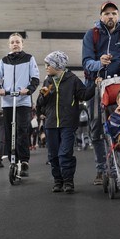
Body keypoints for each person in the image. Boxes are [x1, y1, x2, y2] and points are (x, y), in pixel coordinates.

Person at [82, 1, 120, 185]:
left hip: (117, 86)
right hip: (96, 85)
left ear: (118, 16)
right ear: (101, 17)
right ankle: (101, 169)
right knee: (97, 127)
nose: (110, 16)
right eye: (107, 14)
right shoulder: (92, 35)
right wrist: (99, 63)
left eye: (114, 13)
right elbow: (86, 62)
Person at [37, 51, 96, 194]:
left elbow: (84, 94)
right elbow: (40, 105)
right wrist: (43, 96)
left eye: (48, 64)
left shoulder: (72, 79)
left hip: (68, 123)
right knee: (53, 155)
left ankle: (68, 181)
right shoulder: (47, 81)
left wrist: (95, 84)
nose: (46, 67)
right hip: (51, 124)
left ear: (58, 65)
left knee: (65, 153)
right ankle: (58, 181)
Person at [0, 32, 39, 177]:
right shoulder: (3, 60)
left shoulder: (29, 59)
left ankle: (24, 161)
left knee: (21, 130)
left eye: (17, 42)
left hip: (23, 101)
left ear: (22, 44)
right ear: (9, 45)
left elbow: (35, 78)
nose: (15, 44)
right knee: (9, 130)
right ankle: (14, 158)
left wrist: (28, 90)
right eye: (12, 42)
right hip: (7, 101)